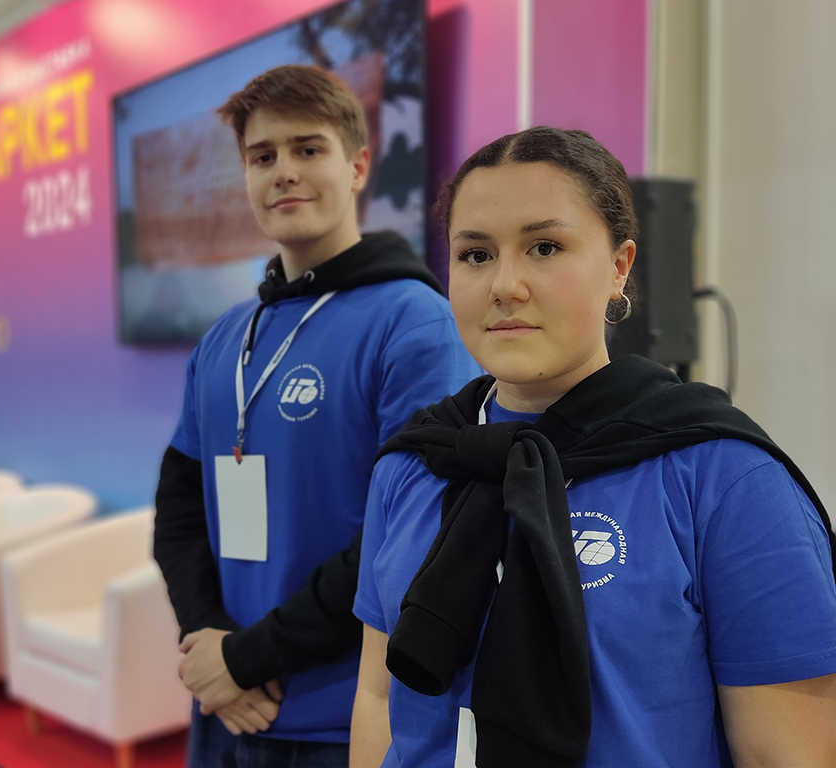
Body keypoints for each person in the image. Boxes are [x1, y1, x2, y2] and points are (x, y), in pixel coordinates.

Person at [350, 126, 836, 768]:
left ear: (619, 267)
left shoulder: (725, 477)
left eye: (545, 247)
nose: (504, 285)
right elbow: (378, 697)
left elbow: (785, 753)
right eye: (475, 254)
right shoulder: (413, 464)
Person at [153, 64, 478, 766]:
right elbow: (179, 504)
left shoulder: (417, 324)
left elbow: (411, 538)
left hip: (341, 720)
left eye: (307, 149)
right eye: (262, 156)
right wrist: (209, 641)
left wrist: (248, 658)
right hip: (225, 709)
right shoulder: (225, 338)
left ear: (357, 166)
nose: (284, 172)